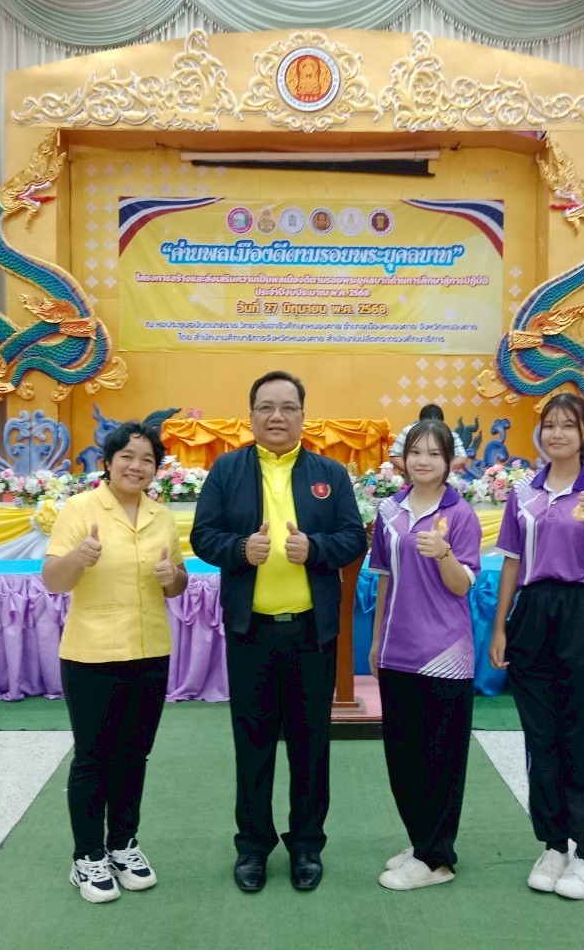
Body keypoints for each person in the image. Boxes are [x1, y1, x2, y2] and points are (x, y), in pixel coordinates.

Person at [191, 371, 365, 893]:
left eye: (288, 407)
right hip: (251, 634)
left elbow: (353, 538)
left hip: (312, 635)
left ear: (303, 416)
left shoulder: (329, 474)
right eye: (266, 407)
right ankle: (252, 847)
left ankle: (307, 845)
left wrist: (315, 549)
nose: (277, 417)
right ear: (251, 415)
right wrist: (239, 549)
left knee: (311, 746)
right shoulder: (227, 470)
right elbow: (203, 536)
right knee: (254, 745)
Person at [43, 420, 190, 904]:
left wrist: (172, 577)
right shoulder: (80, 509)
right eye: (127, 456)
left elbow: (178, 582)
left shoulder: (161, 517)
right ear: (107, 462)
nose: (136, 466)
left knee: (134, 756)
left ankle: (123, 844)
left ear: (156, 469)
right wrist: (79, 558)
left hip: (150, 653)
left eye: (147, 459)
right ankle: (87, 856)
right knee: (94, 758)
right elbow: (53, 581)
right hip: (93, 654)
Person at [487, 392, 584, 901]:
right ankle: (553, 844)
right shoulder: (523, 492)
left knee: (581, 733)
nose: (558, 433)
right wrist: (500, 628)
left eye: (569, 425)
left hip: (579, 611)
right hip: (531, 613)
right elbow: (512, 562)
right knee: (539, 735)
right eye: (550, 425)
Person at [368, 419, 482, 891]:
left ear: (450, 461)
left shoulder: (461, 515)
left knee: (442, 759)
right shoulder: (388, 510)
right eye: (416, 451)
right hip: (398, 652)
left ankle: (437, 859)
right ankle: (421, 841)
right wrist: (377, 641)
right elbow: (384, 578)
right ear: (403, 457)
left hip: (445, 656)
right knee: (404, 757)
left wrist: (444, 554)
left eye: (435, 453)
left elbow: (461, 587)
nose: (423, 461)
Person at [388, 404, 468, 473]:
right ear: (420, 421)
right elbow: (395, 455)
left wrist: (443, 471)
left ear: (442, 423)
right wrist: (412, 472)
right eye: (415, 452)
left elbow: (462, 457)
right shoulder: (408, 431)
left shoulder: (449, 434)